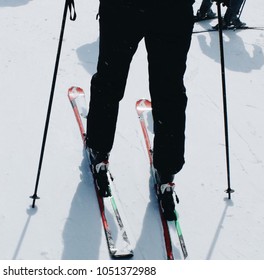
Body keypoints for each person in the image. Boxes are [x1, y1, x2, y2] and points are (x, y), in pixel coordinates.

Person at [86, 0, 194, 221]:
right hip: (172, 12)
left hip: (124, 9)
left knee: (109, 79)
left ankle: (98, 149)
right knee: (169, 91)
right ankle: (166, 172)